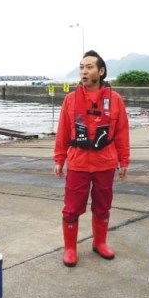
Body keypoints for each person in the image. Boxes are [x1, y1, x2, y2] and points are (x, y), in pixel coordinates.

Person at [53, 50, 130, 267]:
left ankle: (100, 243)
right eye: (81, 67)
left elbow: (122, 133)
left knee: (103, 206)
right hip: (78, 162)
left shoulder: (115, 100)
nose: (84, 72)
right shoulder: (70, 100)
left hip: (105, 162)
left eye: (89, 67)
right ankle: (70, 248)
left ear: (101, 71)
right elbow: (63, 132)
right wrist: (59, 159)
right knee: (71, 208)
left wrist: (124, 161)